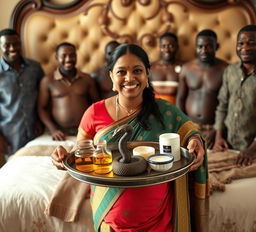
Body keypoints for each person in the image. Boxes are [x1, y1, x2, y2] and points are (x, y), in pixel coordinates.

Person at [51, 44, 208, 232]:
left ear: (147, 73)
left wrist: (195, 142)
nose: (129, 78)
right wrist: (62, 155)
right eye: (121, 72)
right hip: (110, 219)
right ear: (111, 76)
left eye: (137, 70)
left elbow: (191, 133)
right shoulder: (94, 113)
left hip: (161, 220)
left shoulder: (165, 110)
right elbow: (79, 153)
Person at [38, 42, 100, 141]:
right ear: (56, 57)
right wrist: (53, 130)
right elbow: (41, 108)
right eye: (64, 56)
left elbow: (97, 105)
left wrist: (93, 127)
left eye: (72, 55)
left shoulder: (87, 79)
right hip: (59, 132)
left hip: (85, 130)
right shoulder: (48, 80)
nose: (68, 59)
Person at [213, 25, 256, 166]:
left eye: (251, 44)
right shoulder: (230, 71)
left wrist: (251, 149)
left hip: (251, 150)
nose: (245, 48)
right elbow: (222, 105)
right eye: (241, 43)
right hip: (227, 146)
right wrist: (218, 137)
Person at [176, 29, 227, 149]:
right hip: (189, 125)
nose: (204, 50)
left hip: (214, 128)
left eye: (209, 46)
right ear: (196, 47)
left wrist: (216, 130)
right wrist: (184, 126)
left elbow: (227, 104)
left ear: (217, 46)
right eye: (200, 47)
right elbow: (180, 98)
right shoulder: (187, 68)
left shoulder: (225, 69)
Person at [0, 28, 44, 158]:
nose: (13, 48)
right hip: (10, 136)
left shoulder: (35, 68)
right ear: (1, 47)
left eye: (16, 44)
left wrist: (40, 121)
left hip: (36, 131)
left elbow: (44, 97)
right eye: (7, 45)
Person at [150, 32, 183, 104]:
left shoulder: (184, 67)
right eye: (164, 46)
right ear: (160, 47)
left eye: (171, 46)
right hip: (155, 111)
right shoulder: (151, 68)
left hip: (176, 111)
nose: (167, 50)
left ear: (177, 47)